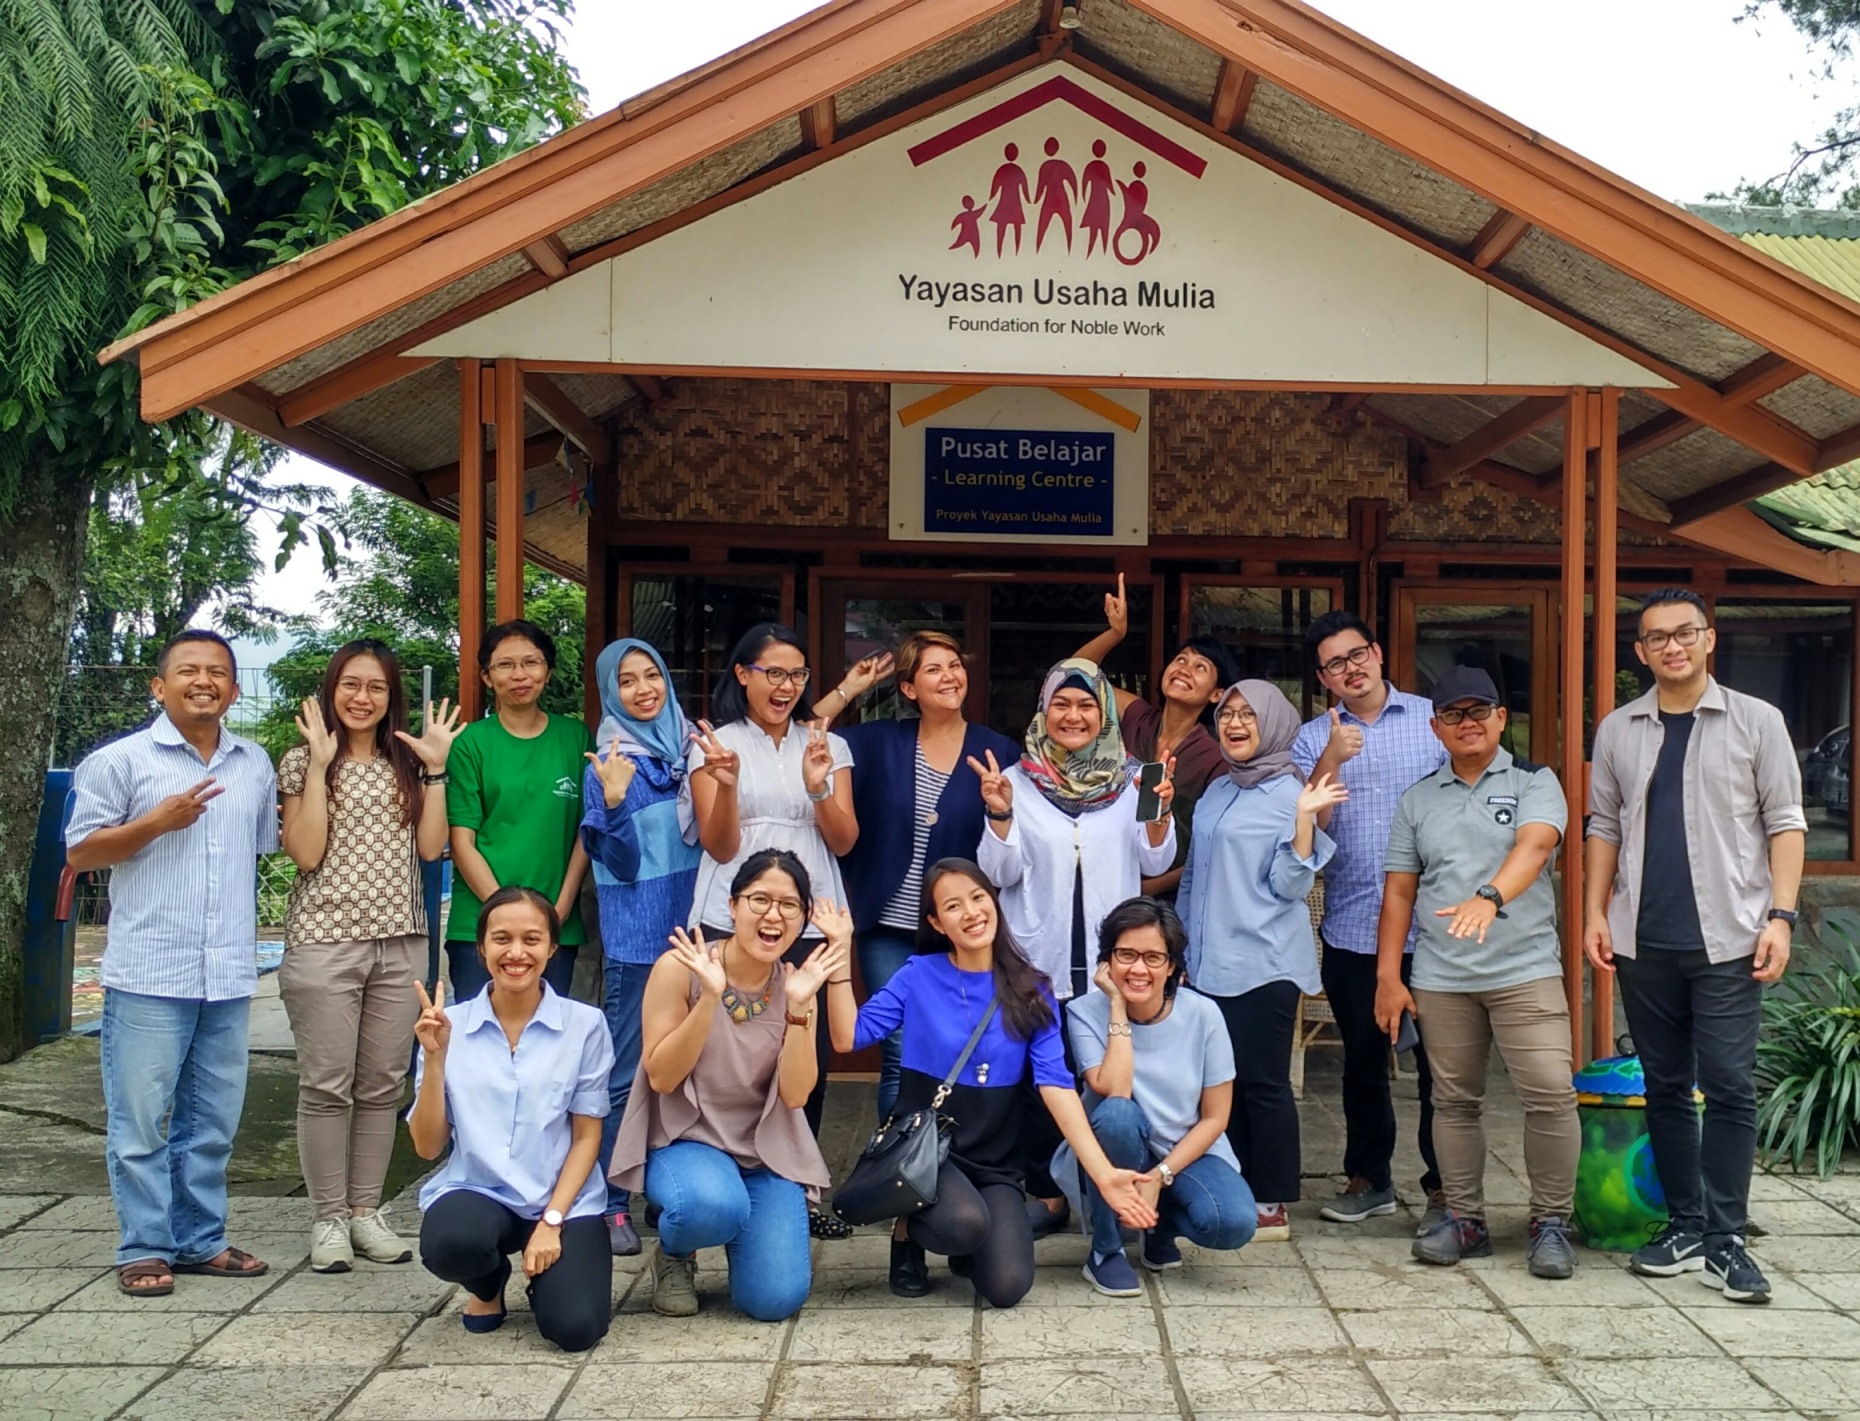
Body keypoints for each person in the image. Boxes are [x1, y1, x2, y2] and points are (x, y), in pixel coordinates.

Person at [1585, 589, 1805, 1305]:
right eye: (1655, 638)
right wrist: (1593, 911)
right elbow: (1604, 826)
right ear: (1641, 651)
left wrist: (1781, 916)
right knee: (1667, 1085)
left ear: (1709, 639)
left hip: (1732, 937)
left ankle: (1727, 1239)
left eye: (1684, 633)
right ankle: (1684, 1224)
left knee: (1732, 1086)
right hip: (1645, 938)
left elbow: (1787, 823)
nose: (1671, 646)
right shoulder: (1619, 728)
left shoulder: (1756, 721)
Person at [830, 859, 1156, 1305]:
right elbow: (849, 1036)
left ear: (995, 901)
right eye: (952, 906)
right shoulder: (917, 975)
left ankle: (967, 1235)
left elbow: (1057, 1087)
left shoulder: (1032, 988)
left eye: (978, 897)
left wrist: (1102, 1174)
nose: (971, 912)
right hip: (928, 1154)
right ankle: (907, 1235)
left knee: (1007, 1287)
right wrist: (838, 960)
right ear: (935, 922)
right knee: (963, 1225)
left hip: (995, 1160)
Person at [67, 629, 279, 1297]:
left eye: (217, 671)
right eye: (188, 670)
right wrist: (154, 824)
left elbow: (265, 847)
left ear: (234, 689)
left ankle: (199, 1238)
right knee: (140, 1118)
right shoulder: (119, 761)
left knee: (212, 1119)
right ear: (160, 687)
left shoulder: (253, 763)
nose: (203, 680)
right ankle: (144, 1245)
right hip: (149, 971)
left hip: (228, 971)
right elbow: (80, 854)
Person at [1373, 666, 1579, 1281]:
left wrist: (1488, 898)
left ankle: (1551, 1223)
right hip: (1441, 976)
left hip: (1525, 969)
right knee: (1454, 1101)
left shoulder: (1534, 781)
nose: (1468, 723)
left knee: (1549, 1093)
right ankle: (1465, 1219)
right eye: (1454, 714)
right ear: (1436, 727)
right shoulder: (1418, 798)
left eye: (1478, 710)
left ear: (1500, 718)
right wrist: (1389, 976)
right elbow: (1399, 895)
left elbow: (1536, 846)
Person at [974, 656, 1176, 1236]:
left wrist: (1160, 813)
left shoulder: (1137, 778)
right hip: (1041, 964)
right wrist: (1001, 814)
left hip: (1116, 971)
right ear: (1044, 709)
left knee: (1112, 1086)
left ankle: (1114, 1189)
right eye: (1062, 703)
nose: (1074, 714)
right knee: (1043, 1088)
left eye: (1087, 704)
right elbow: (999, 872)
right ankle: (1048, 1192)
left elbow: (1155, 860)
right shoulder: (1012, 781)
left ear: (1104, 713)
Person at [277, 639, 460, 1272]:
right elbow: (304, 852)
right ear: (332, 690)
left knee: (383, 1086)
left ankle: (365, 1211)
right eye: (351, 685)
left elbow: (433, 849)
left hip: (401, 942)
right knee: (327, 1085)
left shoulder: (409, 762)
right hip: (324, 941)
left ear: (391, 697)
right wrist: (323, 766)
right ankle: (327, 1218)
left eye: (376, 687)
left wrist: (436, 769)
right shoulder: (303, 759)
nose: (362, 698)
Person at [610, 851, 852, 1321]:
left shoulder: (797, 984)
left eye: (789, 905)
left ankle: (742, 1224)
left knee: (774, 1301)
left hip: (765, 1153)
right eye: (760, 899)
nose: (773, 915)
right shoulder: (681, 968)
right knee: (709, 1204)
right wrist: (708, 1001)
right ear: (733, 905)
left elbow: (797, 1095)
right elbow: (661, 1076)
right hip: (689, 1139)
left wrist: (801, 1008)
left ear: (803, 919)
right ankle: (677, 1253)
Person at [686, 622, 858, 1239]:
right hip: (733, 908)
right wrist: (726, 785)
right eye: (773, 673)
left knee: (801, 1042)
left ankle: (798, 1182)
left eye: (797, 675)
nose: (786, 686)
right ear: (743, 675)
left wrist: (818, 790)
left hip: (810, 913)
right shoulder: (715, 743)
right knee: (724, 1045)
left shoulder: (827, 745)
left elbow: (844, 839)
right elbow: (719, 841)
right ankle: (713, 1168)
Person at [1290, 609, 1447, 1229]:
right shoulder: (1312, 736)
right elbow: (1311, 824)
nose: (1349, 670)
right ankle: (1369, 1178)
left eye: (1356, 656)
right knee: (1362, 1060)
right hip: (1354, 922)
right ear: (1323, 676)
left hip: (1436, 927)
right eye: (1334, 664)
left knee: (1442, 1065)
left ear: (1377, 653)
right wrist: (1331, 756)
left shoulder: (1433, 721)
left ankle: (1444, 1187)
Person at [408, 888, 614, 1351]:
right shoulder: (448, 1025)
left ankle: (548, 1278)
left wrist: (553, 1221)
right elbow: (426, 1146)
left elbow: (586, 1138)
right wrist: (435, 1060)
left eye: (531, 939)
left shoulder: (585, 1025)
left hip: (563, 1201)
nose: (516, 953)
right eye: (501, 939)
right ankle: (489, 1283)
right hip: (480, 1192)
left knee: (576, 1329)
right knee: (450, 1243)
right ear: (481, 948)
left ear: (551, 948)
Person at [1176, 681, 1344, 1241]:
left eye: (1249, 715)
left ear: (1273, 723)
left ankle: (1272, 1197)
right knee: (1218, 1081)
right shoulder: (1219, 789)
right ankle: (1236, 1179)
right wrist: (1178, 947)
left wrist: (1302, 824)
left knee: (1262, 1083)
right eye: (1228, 714)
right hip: (1206, 962)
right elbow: (1196, 876)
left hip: (1263, 963)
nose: (1236, 724)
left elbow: (1290, 887)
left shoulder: (1288, 791)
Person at [833, 631, 1019, 1123]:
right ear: (910, 688)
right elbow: (808, 735)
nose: (949, 676)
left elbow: (1011, 842)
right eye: (933, 669)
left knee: (955, 1047)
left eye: (955, 665)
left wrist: (1000, 811)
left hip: (959, 929)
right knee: (898, 1052)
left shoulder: (997, 750)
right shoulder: (879, 742)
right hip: (887, 928)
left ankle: (949, 1164)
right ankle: (895, 1170)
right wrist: (851, 688)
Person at [1057, 897, 1258, 1293]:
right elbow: (1116, 1089)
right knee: (1117, 1114)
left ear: (1172, 967)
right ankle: (1105, 1250)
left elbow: (1216, 1117)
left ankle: (1158, 1224)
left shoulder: (1204, 1015)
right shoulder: (1084, 1011)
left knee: (1232, 1222)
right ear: (1107, 961)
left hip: (1187, 1153)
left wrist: (1158, 1177)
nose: (1137, 968)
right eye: (1126, 954)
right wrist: (1116, 1007)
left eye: (1152, 957)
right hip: (1117, 1145)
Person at [580, 637, 703, 1258]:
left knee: (683, 1073)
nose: (643, 689)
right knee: (628, 1076)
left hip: (695, 938)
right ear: (610, 693)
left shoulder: (691, 753)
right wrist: (612, 799)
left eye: (651, 674)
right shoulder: (605, 761)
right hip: (636, 941)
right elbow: (622, 865)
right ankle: (609, 1201)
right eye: (626, 681)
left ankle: (664, 1188)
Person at [445, 619, 592, 999]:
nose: (519, 674)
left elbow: (585, 833)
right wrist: (505, 915)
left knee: (547, 1044)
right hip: (480, 925)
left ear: (548, 671)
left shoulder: (575, 738)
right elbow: (462, 842)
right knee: (480, 1045)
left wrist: (555, 912)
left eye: (531, 662)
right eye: (505, 665)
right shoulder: (470, 743)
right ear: (487, 677)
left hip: (556, 923)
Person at [1074, 574, 1239, 900]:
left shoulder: (1215, 759)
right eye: (1181, 660)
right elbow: (1075, 675)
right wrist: (1115, 634)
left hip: (1169, 898)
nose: (1184, 669)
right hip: (1105, 880)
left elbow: (1213, 845)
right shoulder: (1138, 717)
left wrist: (1145, 888)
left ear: (1216, 695)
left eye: (1200, 667)